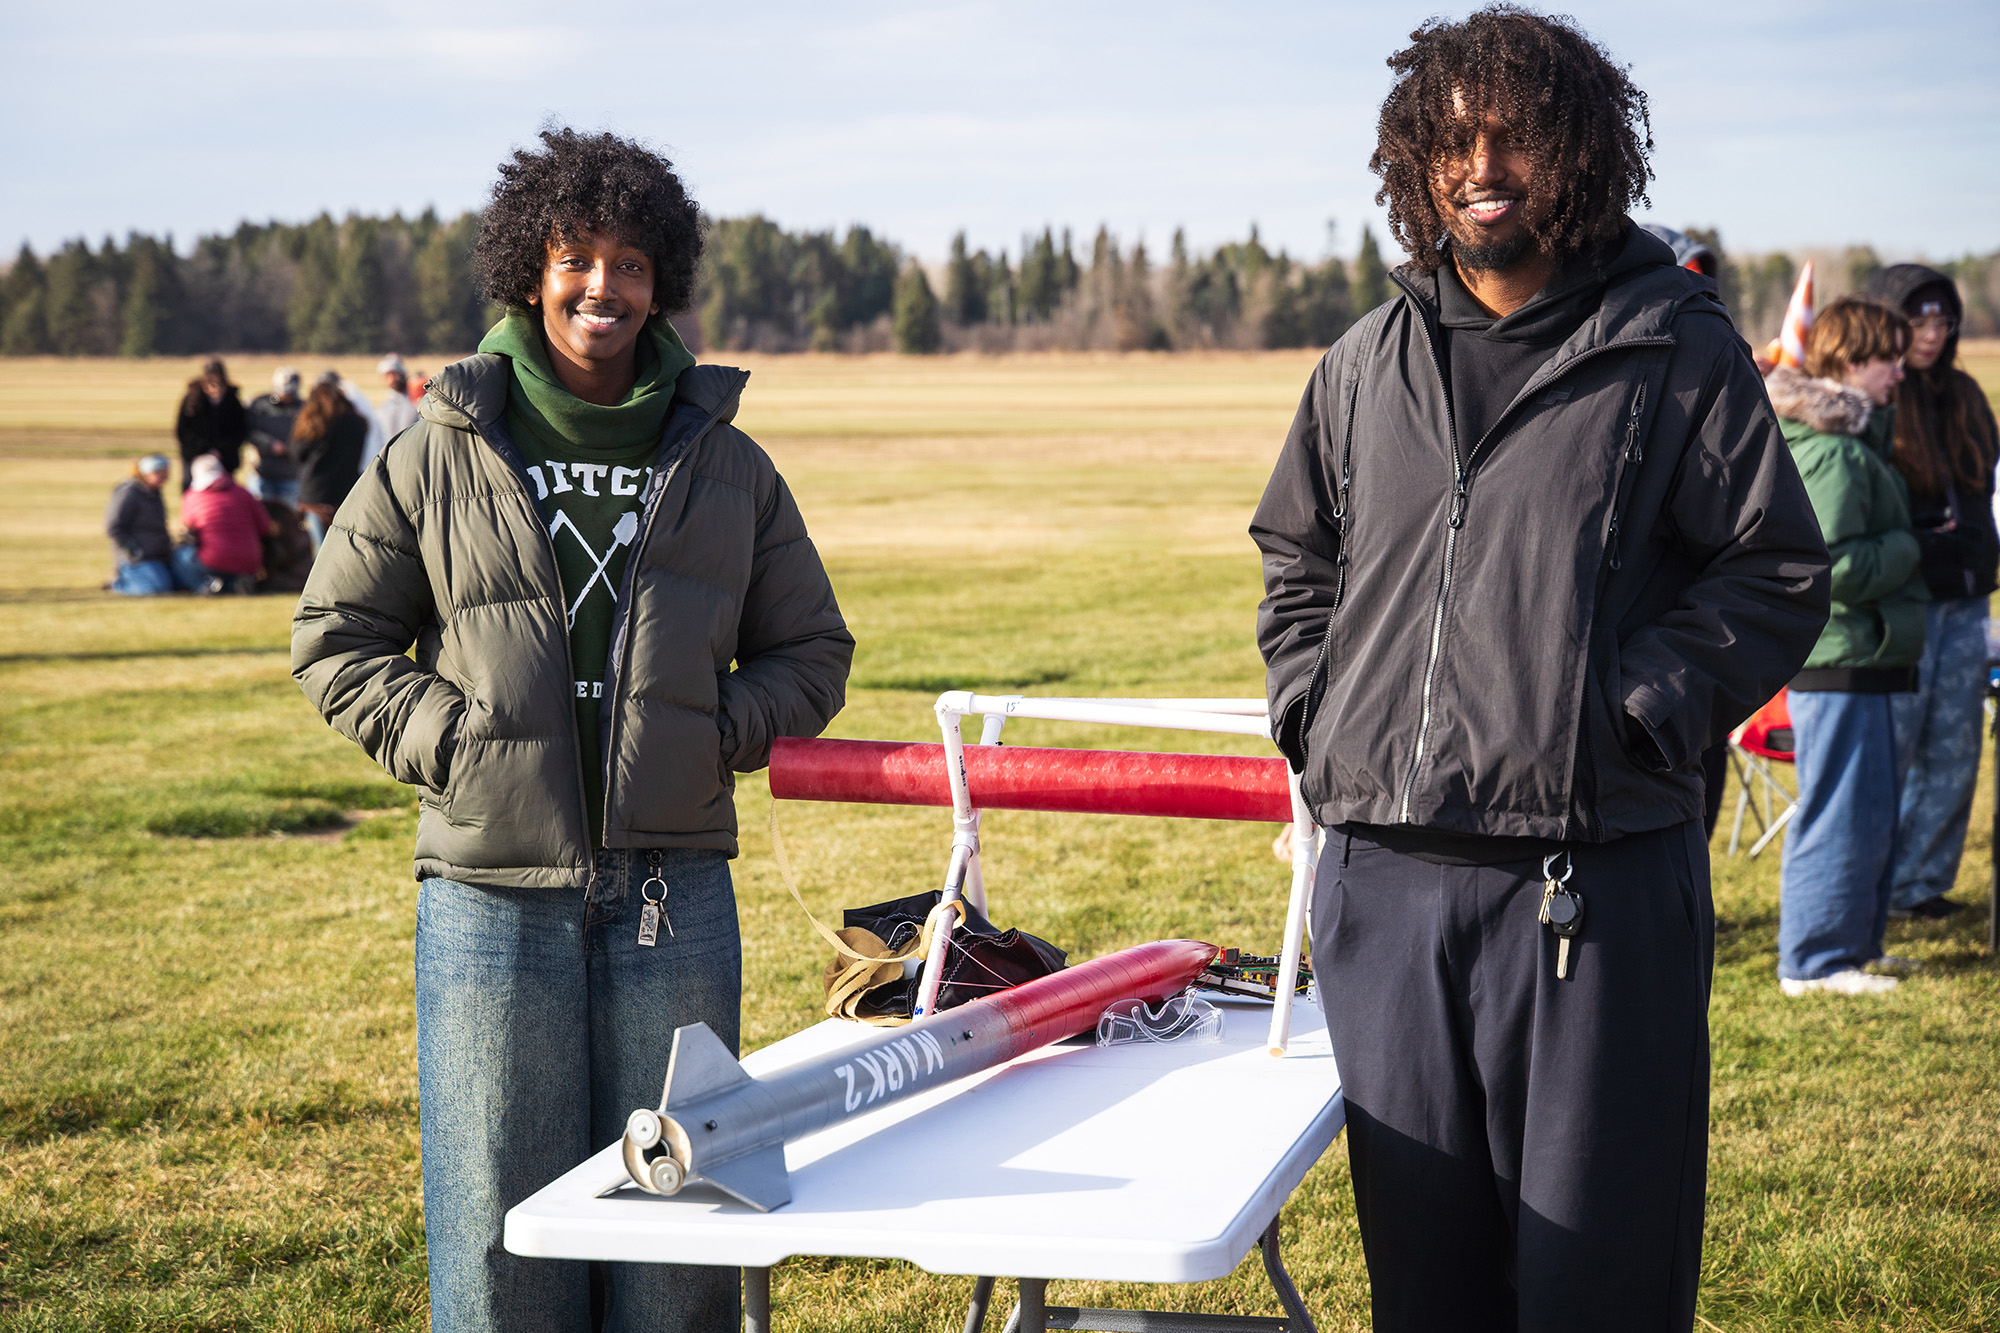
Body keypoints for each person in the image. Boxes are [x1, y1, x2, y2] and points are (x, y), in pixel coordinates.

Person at [1249, 11, 1830, 1330]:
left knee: (1594, 1283)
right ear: (1414, 161)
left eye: (1512, 127)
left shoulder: (1674, 346)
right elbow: (1297, 556)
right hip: (1388, 893)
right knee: (1427, 1285)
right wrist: (1315, 713)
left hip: (1592, 890)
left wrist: (1633, 717)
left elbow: (1775, 568)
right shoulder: (1363, 363)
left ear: (1578, 149)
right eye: (1449, 135)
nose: (1480, 158)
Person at [291, 126, 852, 1333]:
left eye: (632, 264)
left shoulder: (728, 463)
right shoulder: (435, 450)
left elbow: (814, 652)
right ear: (527, 268)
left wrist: (712, 733)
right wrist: (456, 743)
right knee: (505, 1243)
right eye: (576, 257)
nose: (604, 287)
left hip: (675, 895)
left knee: (678, 1229)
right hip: (491, 900)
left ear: (665, 284)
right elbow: (333, 637)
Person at [1770, 297, 1929, 994]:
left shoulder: (1855, 442)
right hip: (1839, 657)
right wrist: (1909, 546)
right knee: (1838, 807)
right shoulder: (1833, 450)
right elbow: (1827, 565)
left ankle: (1854, 944)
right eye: (1886, 356)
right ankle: (1813, 958)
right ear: (1847, 361)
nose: (1900, 369)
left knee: (1869, 811)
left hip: (1866, 655)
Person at [1865, 265, 2000, 921]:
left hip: (1969, 601)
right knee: (1897, 745)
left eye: (1943, 320)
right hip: (1906, 602)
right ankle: (1875, 881)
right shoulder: (1878, 400)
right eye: (1919, 319)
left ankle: (1921, 884)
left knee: (1955, 747)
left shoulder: (1969, 395)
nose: (1933, 332)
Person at [177, 453, 275, 594]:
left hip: (213, 560)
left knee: (181, 555)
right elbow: (265, 527)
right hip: (249, 560)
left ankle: (205, 586)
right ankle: (235, 584)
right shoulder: (244, 493)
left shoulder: (192, 497)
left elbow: (188, 529)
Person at [291, 379, 368, 547]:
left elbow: (297, 452)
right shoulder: (357, 423)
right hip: (346, 495)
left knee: (319, 553)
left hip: (315, 496)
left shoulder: (316, 423)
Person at [105, 453, 183, 594]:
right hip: (138, 558)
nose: (165, 478)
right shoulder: (129, 491)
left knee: (179, 584)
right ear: (146, 473)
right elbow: (113, 526)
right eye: (160, 473)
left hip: (159, 555)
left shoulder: (154, 492)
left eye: (166, 474)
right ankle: (118, 583)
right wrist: (132, 550)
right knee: (154, 590)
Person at [174, 358, 247, 493]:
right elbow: (183, 431)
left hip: (225, 459)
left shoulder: (232, 401)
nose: (215, 387)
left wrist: (220, 450)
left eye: (218, 383)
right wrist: (204, 450)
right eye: (211, 382)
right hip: (195, 457)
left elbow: (240, 431)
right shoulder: (192, 400)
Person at [245, 366, 305, 505]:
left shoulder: (303, 408)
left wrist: (292, 447)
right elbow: (248, 431)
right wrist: (270, 445)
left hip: (290, 476)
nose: (287, 398)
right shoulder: (259, 405)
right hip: (261, 474)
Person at [376, 352, 420, 443]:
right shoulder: (383, 408)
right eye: (387, 376)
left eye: (394, 374)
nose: (392, 380)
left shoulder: (416, 401)